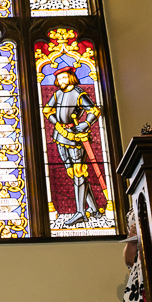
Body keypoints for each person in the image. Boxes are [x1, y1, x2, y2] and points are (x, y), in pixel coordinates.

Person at [44, 67, 101, 222]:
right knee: (73, 173)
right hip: (60, 136)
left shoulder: (78, 94)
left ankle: (80, 212)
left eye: (64, 78)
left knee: (79, 173)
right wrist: (56, 124)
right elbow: (47, 110)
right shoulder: (58, 94)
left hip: (75, 137)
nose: (61, 81)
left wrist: (86, 124)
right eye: (59, 79)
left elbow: (94, 111)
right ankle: (94, 209)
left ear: (71, 77)